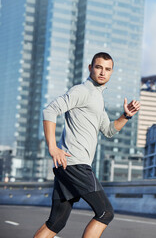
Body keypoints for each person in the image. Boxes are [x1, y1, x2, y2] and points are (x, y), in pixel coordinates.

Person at [34, 52, 140, 238]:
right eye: (98, 67)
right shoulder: (82, 91)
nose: (102, 72)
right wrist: (52, 147)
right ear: (90, 68)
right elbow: (50, 110)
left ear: (111, 72)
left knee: (56, 222)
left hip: (67, 165)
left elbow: (108, 130)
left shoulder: (98, 98)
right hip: (75, 163)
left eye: (107, 69)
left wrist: (126, 116)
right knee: (105, 212)